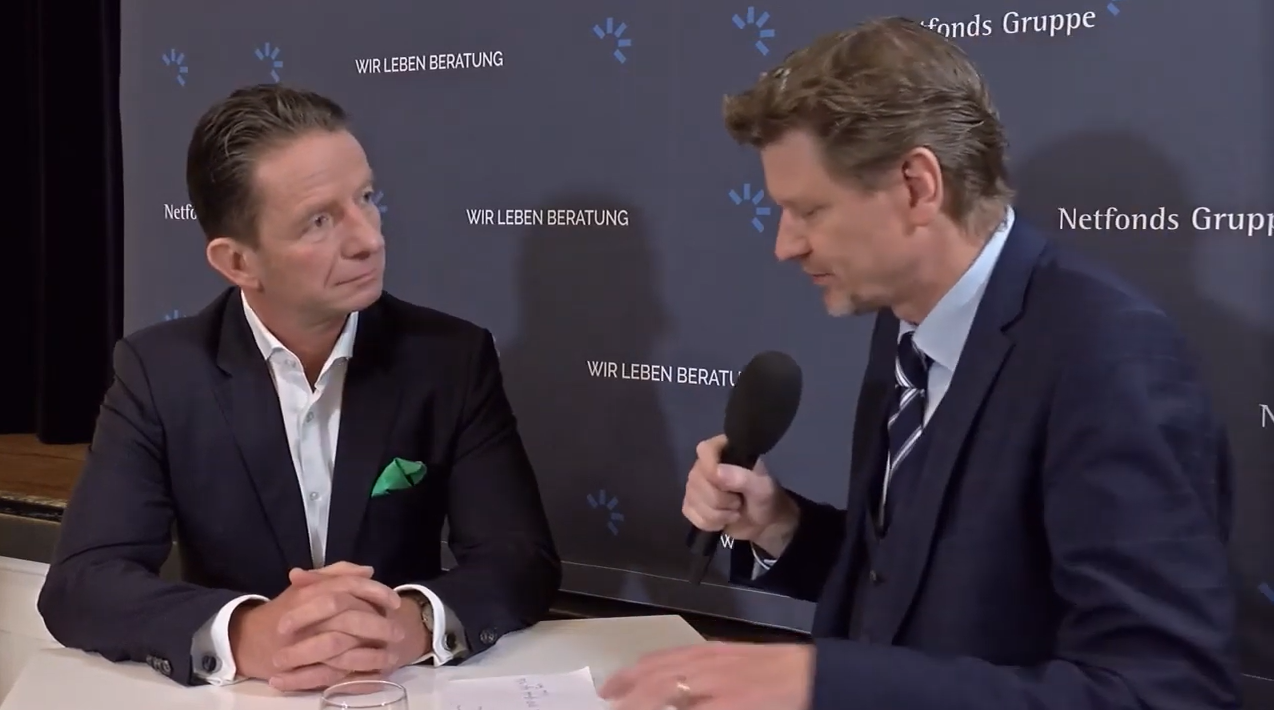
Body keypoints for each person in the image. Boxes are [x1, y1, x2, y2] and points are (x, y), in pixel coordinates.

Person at [600, 17, 1240, 710]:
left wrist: (822, 681)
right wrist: (780, 526)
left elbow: (1163, 691)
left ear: (916, 185)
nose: (785, 245)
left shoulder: (1109, 359)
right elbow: (918, 593)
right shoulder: (905, 326)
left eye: (808, 210)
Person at [38, 84, 561, 692]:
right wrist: (245, 634)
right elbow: (83, 581)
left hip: (397, 690)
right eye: (320, 221)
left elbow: (518, 559)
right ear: (238, 263)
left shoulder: (449, 358)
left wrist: (413, 623)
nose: (368, 239)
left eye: (366, 198)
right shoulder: (160, 372)